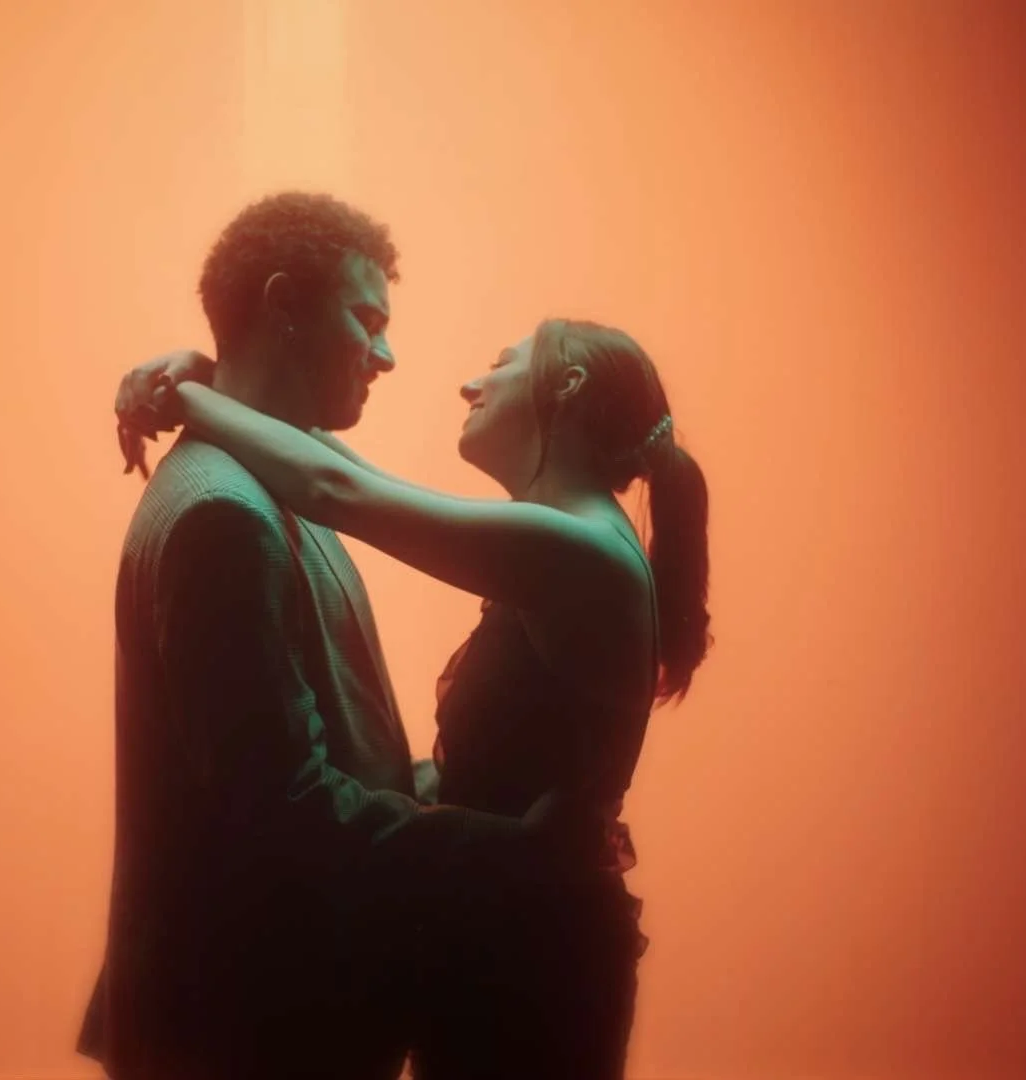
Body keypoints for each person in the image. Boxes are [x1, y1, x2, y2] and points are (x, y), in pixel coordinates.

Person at [115, 316, 713, 1079]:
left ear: (567, 387)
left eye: (500, 362)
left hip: (538, 976)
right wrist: (208, 376)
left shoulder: (581, 550)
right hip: (511, 945)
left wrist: (183, 395)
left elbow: (335, 487)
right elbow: (335, 466)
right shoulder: (571, 538)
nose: (471, 383)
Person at [82, 191, 566, 1080]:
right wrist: (523, 853)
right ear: (284, 306)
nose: (386, 355)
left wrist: (474, 796)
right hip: (246, 1037)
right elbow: (288, 810)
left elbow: (319, 771)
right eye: (367, 320)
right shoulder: (227, 515)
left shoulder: (268, 478)